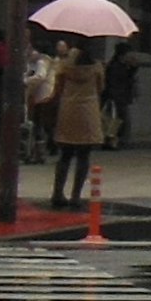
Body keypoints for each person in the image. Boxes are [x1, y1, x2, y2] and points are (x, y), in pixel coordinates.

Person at [48, 40, 106, 210]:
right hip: (88, 111)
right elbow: (100, 88)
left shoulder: (64, 67)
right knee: (83, 156)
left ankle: (57, 193)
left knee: (65, 155)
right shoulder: (96, 67)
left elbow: (57, 89)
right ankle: (76, 196)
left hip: (68, 110)